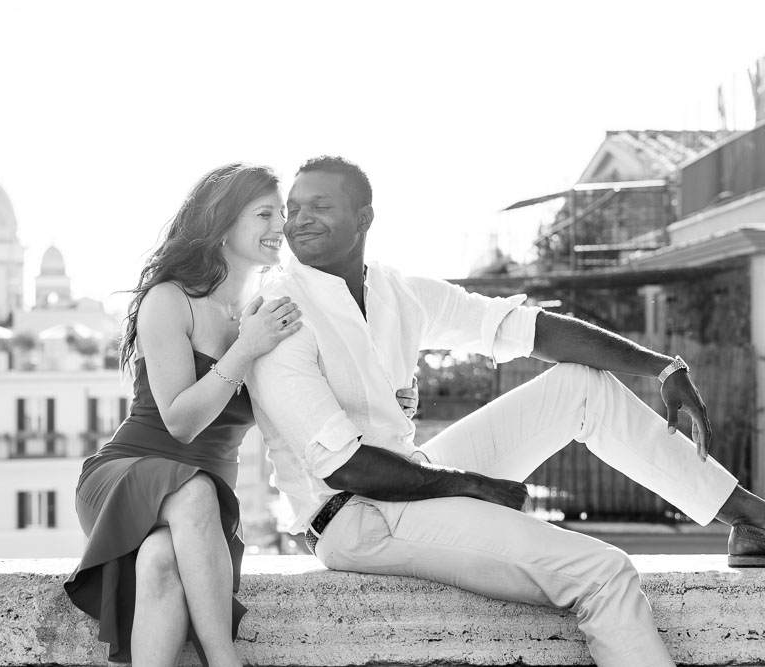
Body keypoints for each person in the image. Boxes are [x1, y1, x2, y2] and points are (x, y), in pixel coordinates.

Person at [244, 155, 765, 667]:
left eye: (320, 205)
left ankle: (750, 518)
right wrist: (473, 485)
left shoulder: (393, 291)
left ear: (364, 218)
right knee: (603, 571)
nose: (300, 219)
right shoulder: (280, 312)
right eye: (293, 208)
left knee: (579, 385)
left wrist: (662, 368)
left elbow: (526, 328)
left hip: (413, 479)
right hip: (355, 517)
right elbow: (345, 466)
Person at [63, 163, 302, 667]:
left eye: (281, 212)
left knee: (159, 560)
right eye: (264, 213)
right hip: (127, 475)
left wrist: (386, 402)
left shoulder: (264, 313)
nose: (280, 224)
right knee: (194, 491)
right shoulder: (169, 301)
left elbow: (297, 410)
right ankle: (225, 662)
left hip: (204, 514)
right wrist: (244, 351)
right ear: (222, 225)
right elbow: (180, 421)